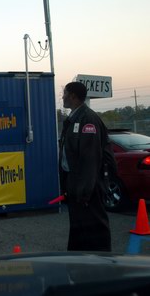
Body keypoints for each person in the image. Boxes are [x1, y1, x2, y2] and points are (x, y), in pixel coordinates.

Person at [59, 81, 113, 252]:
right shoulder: (73, 118)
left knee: (95, 226)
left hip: (88, 186)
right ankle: (77, 262)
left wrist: (85, 191)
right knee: (78, 226)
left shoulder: (87, 119)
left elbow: (91, 159)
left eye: (65, 93)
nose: (63, 97)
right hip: (76, 183)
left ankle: (102, 264)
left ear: (73, 96)